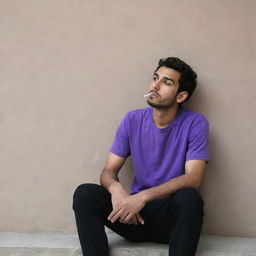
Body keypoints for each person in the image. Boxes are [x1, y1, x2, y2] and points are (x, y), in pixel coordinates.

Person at [73, 57, 209, 256]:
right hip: (134, 217)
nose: (156, 85)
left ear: (181, 96)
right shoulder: (132, 120)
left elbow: (193, 178)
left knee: (190, 198)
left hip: (171, 221)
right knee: (84, 194)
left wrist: (143, 197)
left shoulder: (195, 123)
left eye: (166, 82)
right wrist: (116, 189)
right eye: (155, 78)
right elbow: (108, 171)